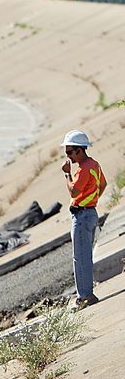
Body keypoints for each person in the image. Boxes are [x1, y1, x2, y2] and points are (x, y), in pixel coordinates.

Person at [61, 130, 107, 309]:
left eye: (70, 152)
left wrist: (67, 174)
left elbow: (73, 191)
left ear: (80, 150)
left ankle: (85, 296)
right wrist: (92, 199)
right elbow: (102, 184)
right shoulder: (94, 164)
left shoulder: (83, 168)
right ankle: (85, 293)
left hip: (81, 216)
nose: (68, 156)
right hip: (90, 213)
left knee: (80, 257)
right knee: (84, 255)